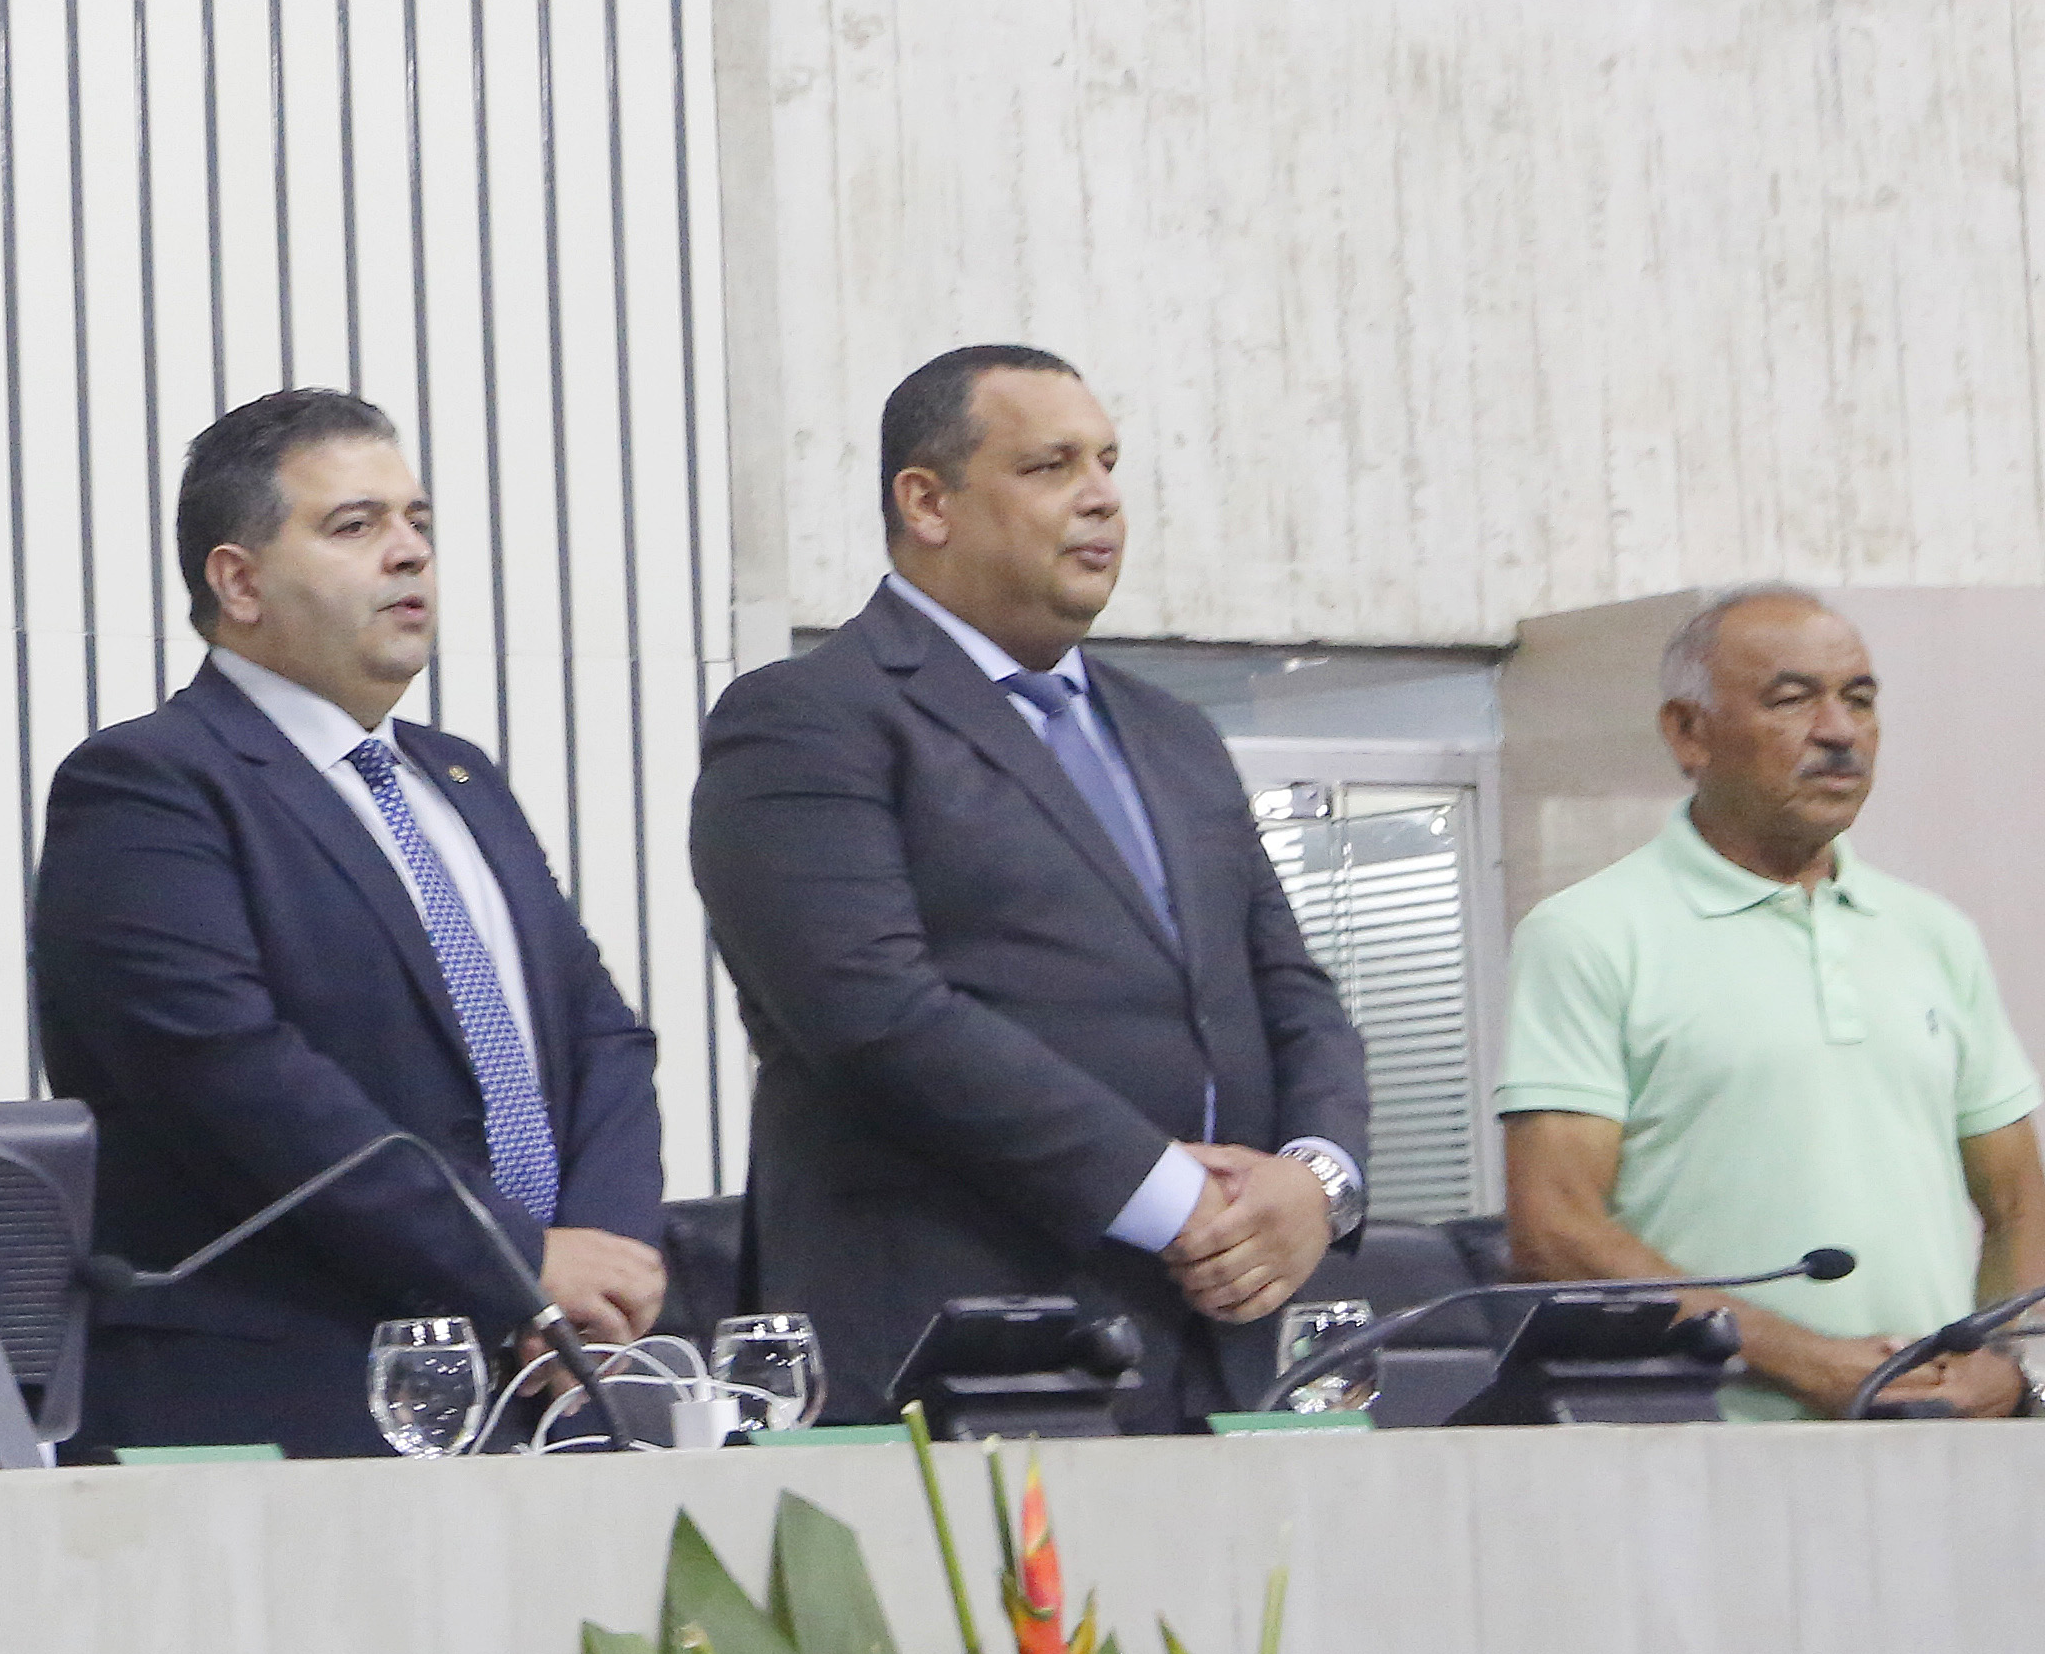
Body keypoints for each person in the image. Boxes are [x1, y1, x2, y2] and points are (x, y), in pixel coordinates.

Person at [691, 344, 1367, 1427]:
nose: (1101, 497)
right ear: (928, 502)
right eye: (1051, 466)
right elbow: (875, 1018)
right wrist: (1167, 1200)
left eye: (1108, 462)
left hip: (1230, 1358)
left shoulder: (1175, 735)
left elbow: (1289, 988)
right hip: (959, 1357)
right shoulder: (810, 720)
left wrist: (1315, 1184)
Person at [27, 391, 667, 1455]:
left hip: (544, 1388)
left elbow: (599, 1034)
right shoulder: (151, 785)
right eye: (356, 526)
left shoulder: (460, 778)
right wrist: (519, 1264)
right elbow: (235, 1080)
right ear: (238, 581)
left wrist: (597, 1264)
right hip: (288, 1399)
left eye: (418, 521)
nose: (409, 554)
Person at [1495, 584, 2040, 1420]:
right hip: (1701, 1457)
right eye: (1793, 700)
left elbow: (2016, 1200)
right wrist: (1806, 1361)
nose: (1839, 731)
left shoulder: (1935, 935)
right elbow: (1554, 1229)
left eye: (1860, 701)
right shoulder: (1589, 934)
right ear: (1688, 732)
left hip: (1939, 1443)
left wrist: (2009, 1366)